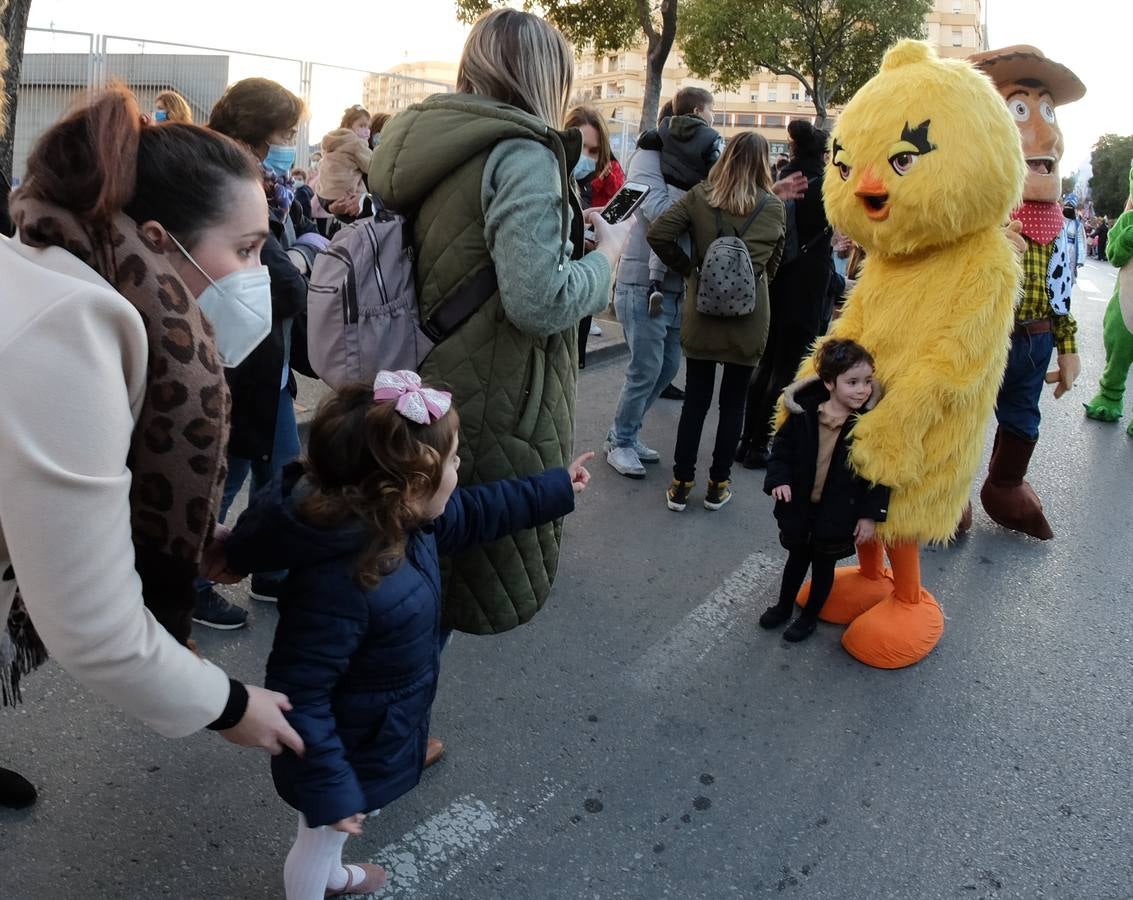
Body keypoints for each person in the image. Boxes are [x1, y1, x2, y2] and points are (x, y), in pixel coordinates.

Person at [0, 86, 304, 810]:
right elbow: (93, 626)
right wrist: (229, 706)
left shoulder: (57, 275)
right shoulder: (68, 330)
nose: (263, 278)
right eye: (246, 249)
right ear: (161, 243)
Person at [222, 372, 593, 899]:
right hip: (347, 744)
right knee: (318, 838)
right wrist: (329, 783)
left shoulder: (400, 521)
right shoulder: (343, 579)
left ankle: (331, 874)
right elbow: (300, 693)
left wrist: (555, 487)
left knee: (328, 839)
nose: (460, 469)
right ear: (413, 487)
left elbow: (479, 511)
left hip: (373, 727)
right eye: (455, 461)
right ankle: (319, 882)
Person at [368, 8, 630, 641]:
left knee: (421, 553)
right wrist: (608, 257)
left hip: (429, 368)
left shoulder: (433, 143)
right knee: (456, 559)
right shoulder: (522, 153)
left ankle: (385, 718)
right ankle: (395, 727)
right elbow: (538, 300)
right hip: (496, 387)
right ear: (545, 75)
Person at [199, 77, 313, 627]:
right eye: (284, 132)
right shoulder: (228, 178)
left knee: (278, 470)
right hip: (240, 360)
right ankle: (190, 578)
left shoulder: (261, 181)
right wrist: (294, 265)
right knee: (229, 475)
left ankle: (269, 567)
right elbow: (283, 281)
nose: (289, 142)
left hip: (266, 361)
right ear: (259, 131)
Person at [647, 131, 785, 512]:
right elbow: (774, 265)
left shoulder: (700, 196)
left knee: (696, 401)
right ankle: (717, 485)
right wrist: (749, 282)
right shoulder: (773, 207)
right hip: (749, 317)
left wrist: (691, 270)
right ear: (763, 163)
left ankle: (680, 484)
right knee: (733, 405)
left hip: (702, 312)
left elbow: (659, 233)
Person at [760, 340, 890, 642]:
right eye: (853, 382)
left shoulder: (868, 426)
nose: (862, 390)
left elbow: (879, 473)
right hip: (801, 508)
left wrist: (870, 516)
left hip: (837, 513)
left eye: (867, 381)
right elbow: (781, 451)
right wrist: (779, 480)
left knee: (823, 568)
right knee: (796, 560)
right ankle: (782, 607)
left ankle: (808, 617)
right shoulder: (804, 413)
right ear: (829, 383)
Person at [738, 119, 833, 470]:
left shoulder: (780, 180)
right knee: (786, 368)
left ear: (791, 147)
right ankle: (761, 444)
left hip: (775, 280)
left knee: (765, 362)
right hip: (807, 287)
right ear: (824, 154)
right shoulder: (827, 188)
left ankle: (746, 439)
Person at [566, 105, 625, 366]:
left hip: (581, 299)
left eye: (594, 151)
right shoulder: (546, 179)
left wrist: (582, 223)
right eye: (581, 147)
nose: (586, 157)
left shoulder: (585, 183)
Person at [316, 105, 373, 219]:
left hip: (327, 194)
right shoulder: (356, 143)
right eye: (362, 126)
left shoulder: (332, 141)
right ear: (348, 126)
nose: (366, 130)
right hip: (348, 197)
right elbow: (372, 166)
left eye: (368, 126)